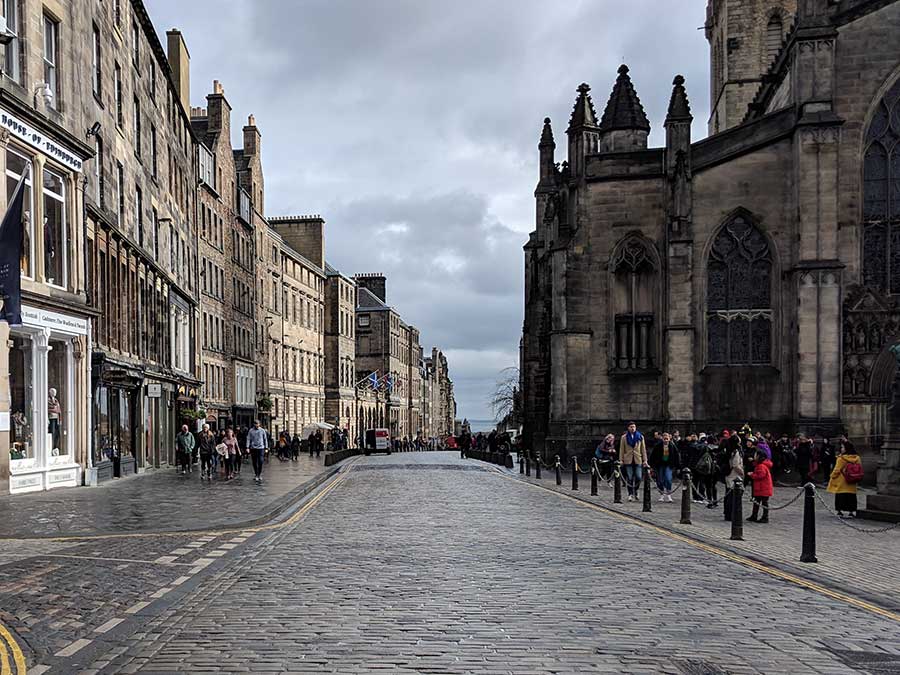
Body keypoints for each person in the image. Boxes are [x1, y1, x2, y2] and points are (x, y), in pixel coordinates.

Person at [827, 439, 862, 517]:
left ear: (846, 448)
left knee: (840, 496)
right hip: (852, 480)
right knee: (851, 497)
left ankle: (839, 511)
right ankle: (851, 512)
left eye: (842, 447)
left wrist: (832, 476)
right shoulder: (857, 458)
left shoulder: (841, 458)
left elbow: (837, 470)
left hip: (842, 481)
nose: (841, 449)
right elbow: (859, 468)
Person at [618, 422, 648, 502]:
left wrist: (645, 460)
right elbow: (621, 449)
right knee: (630, 477)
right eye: (631, 427)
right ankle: (630, 493)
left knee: (638, 476)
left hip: (638, 459)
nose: (633, 428)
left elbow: (643, 449)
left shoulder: (640, 437)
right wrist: (621, 460)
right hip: (628, 459)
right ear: (628, 428)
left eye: (634, 427)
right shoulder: (624, 437)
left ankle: (636, 490)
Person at [650, 432, 681, 502]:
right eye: (664, 439)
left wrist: (678, 467)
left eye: (667, 439)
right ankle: (662, 494)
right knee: (660, 480)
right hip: (660, 465)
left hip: (669, 465)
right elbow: (652, 456)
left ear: (669, 439)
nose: (666, 440)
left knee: (668, 478)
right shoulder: (658, 446)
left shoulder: (672, 446)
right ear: (662, 439)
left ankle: (668, 493)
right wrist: (652, 466)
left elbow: (677, 456)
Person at [746, 449, 774, 523]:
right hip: (761, 487)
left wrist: (752, 474)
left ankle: (765, 517)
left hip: (763, 487)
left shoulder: (761, 466)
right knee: (757, 502)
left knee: (764, 503)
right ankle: (754, 515)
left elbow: (760, 475)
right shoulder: (760, 465)